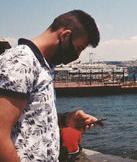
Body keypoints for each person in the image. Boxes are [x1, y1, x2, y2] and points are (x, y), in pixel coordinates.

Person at [0, 10, 102, 161]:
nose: (77, 56)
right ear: (65, 35)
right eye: (79, 48)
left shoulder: (44, 65)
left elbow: (30, 120)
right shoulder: (20, 61)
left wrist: (66, 120)